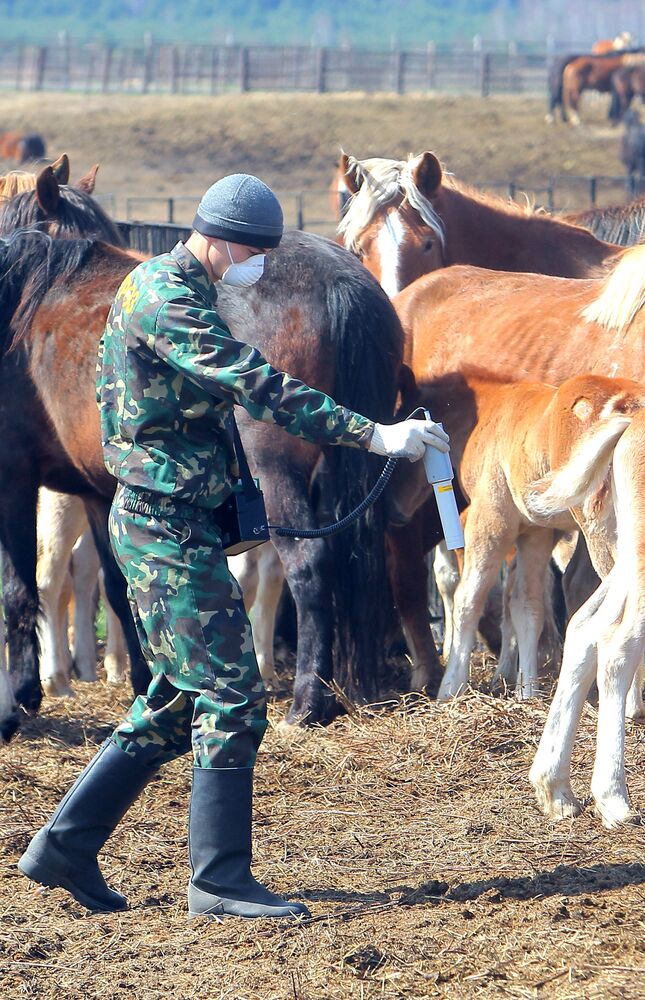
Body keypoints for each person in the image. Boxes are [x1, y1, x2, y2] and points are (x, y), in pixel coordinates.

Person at [18, 174, 449, 919]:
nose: (255, 265)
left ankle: (65, 845)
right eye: (250, 252)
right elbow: (256, 383)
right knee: (232, 697)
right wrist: (375, 432)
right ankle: (217, 881)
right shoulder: (166, 297)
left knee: (177, 700)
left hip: (177, 522)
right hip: (163, 526)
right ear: (217, 239)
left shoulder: (185, 285)